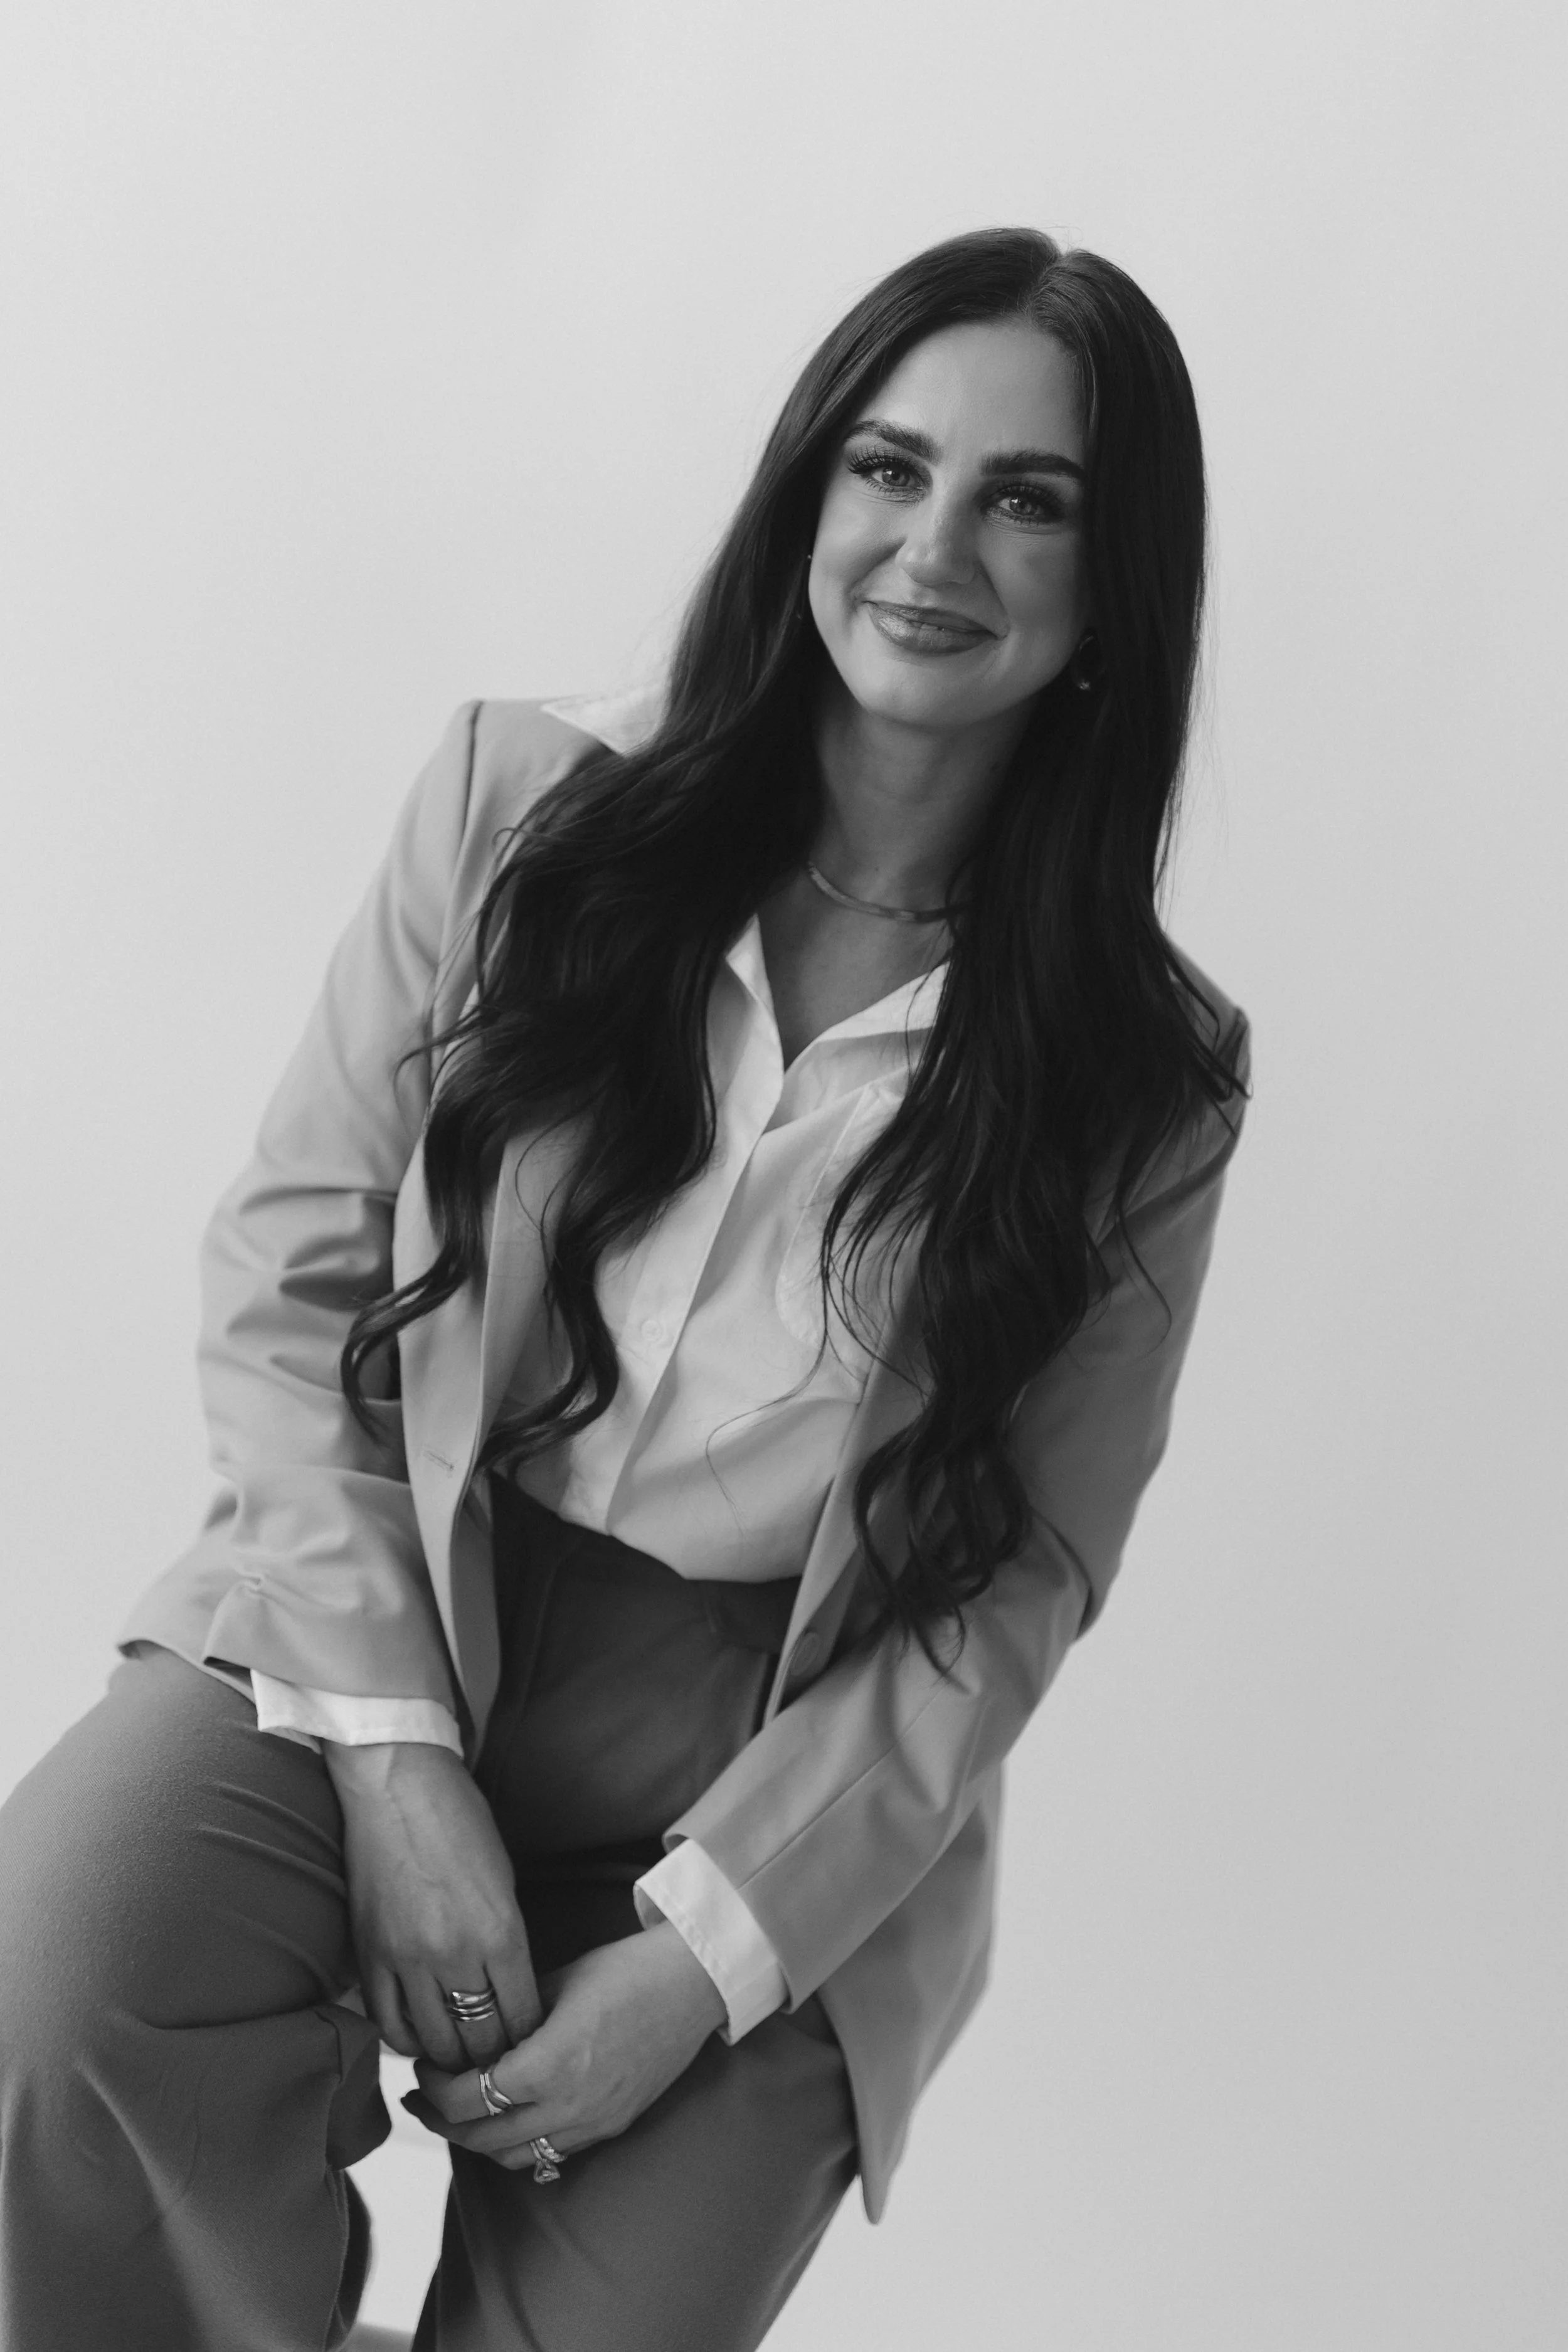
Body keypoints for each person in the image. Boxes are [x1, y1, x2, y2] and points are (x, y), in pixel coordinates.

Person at [0, 226, 1249, 2351]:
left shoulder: (1148, 1072)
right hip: (383, 1598)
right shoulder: (521, 801)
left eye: (1021, 497)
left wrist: (702, 1960)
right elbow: (291, 1268)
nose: (930, 543)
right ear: (805, 497)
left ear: (1105, 585)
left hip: (764, 1755)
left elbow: (1010, 1581)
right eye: (885, 465)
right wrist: (399, 1767)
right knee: (60, 1977)